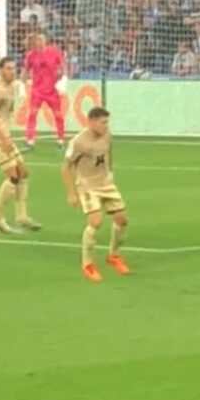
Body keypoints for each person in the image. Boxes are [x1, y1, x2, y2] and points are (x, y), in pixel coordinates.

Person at [62, 107, 131, 283]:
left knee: (122, 219)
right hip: (87, 185)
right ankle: (87, 264)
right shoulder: (78, 142)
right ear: (91, 121)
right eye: (102, 122)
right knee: (96, 222)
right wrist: (71, 193)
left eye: (107, 122)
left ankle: (113, 256)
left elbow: (109, 152)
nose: (105, 126)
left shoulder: (107, 134)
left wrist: (111, 172)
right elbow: (65, 167)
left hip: (105, 182)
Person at [0, 59, 41, 234]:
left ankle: (21, 216)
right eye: (8, 68)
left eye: (14, 68)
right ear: (0, 70)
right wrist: (3, 138)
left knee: (23, 173)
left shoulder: (13, 86)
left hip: (4, 137)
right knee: (13, 176)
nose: (12, 71)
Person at [22, 28, 67, 150]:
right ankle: (30, 141)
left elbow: (63, 66)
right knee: (32, 114)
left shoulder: (54, 52)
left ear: (46, 40)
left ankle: (61, 139)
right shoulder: (31, 55)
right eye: (37, 39)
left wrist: (64, 79)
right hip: (37, 91)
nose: (39, 41)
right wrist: (21, 83)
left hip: (52, 91)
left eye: (42, 39)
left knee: (58, 115)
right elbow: (25, 70)